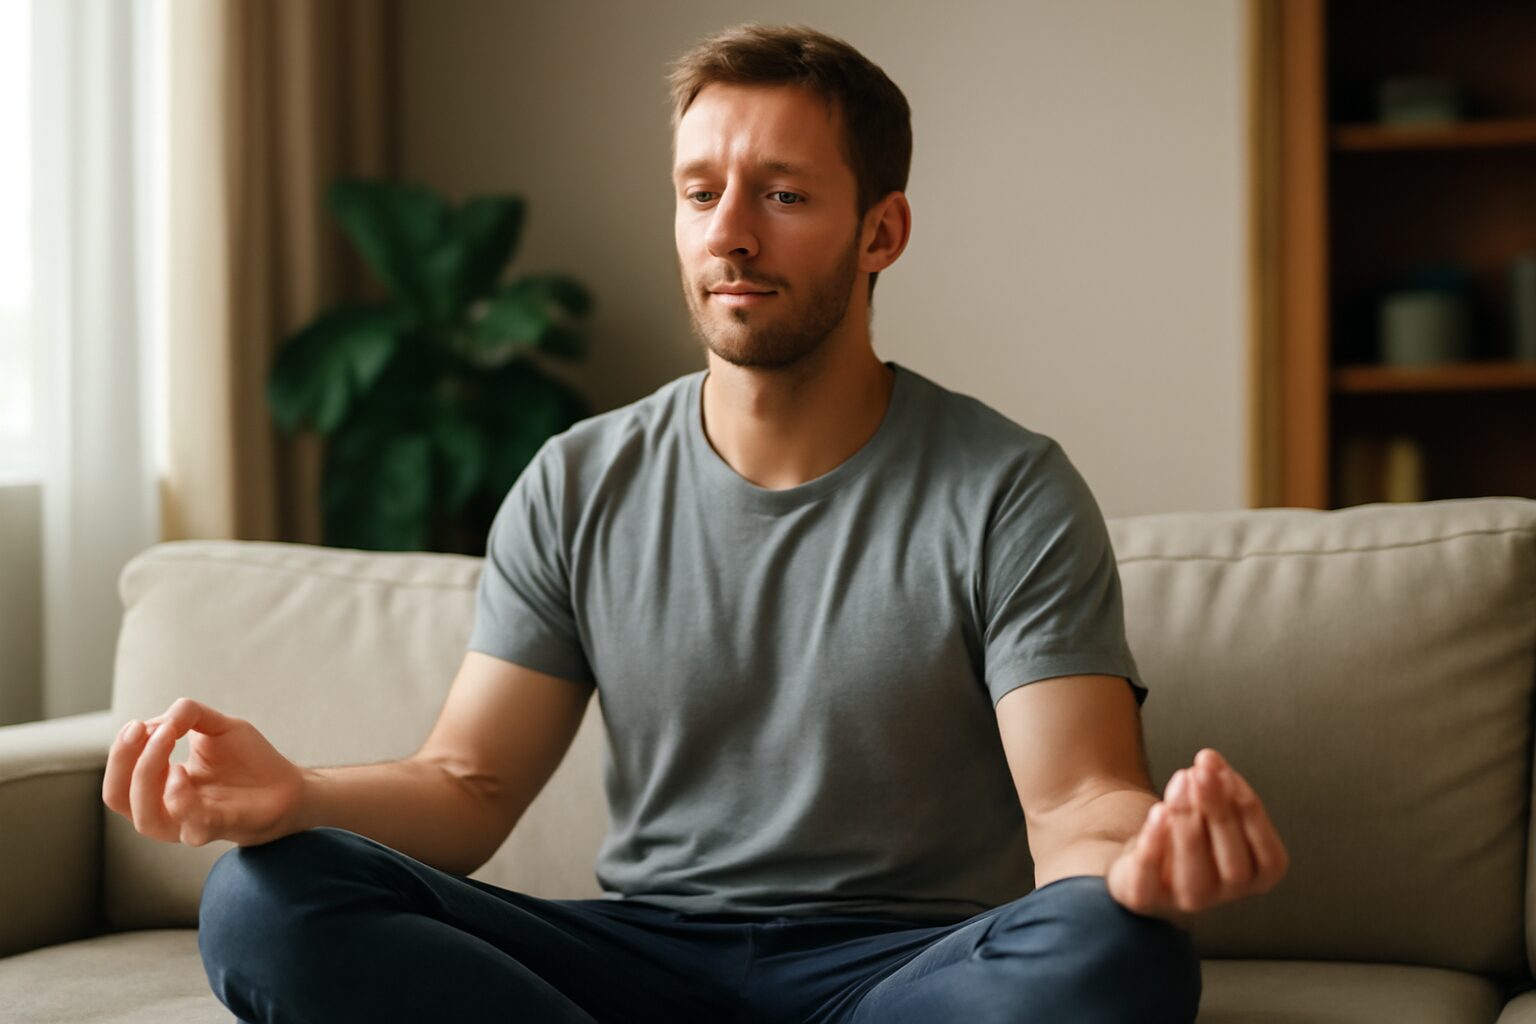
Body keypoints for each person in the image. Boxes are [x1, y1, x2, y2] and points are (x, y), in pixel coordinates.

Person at [103, 22, 1287, 1024]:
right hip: (638, 956)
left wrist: (1146, 855)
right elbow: (465, 784)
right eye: (700, 190)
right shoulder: (577, 480)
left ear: (882, 232)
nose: (731, 230)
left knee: (1117, 951)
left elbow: (1075, 805)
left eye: (782, 194)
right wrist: (293, 793)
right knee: (267, 897)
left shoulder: (1006, 488)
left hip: (900, 970)